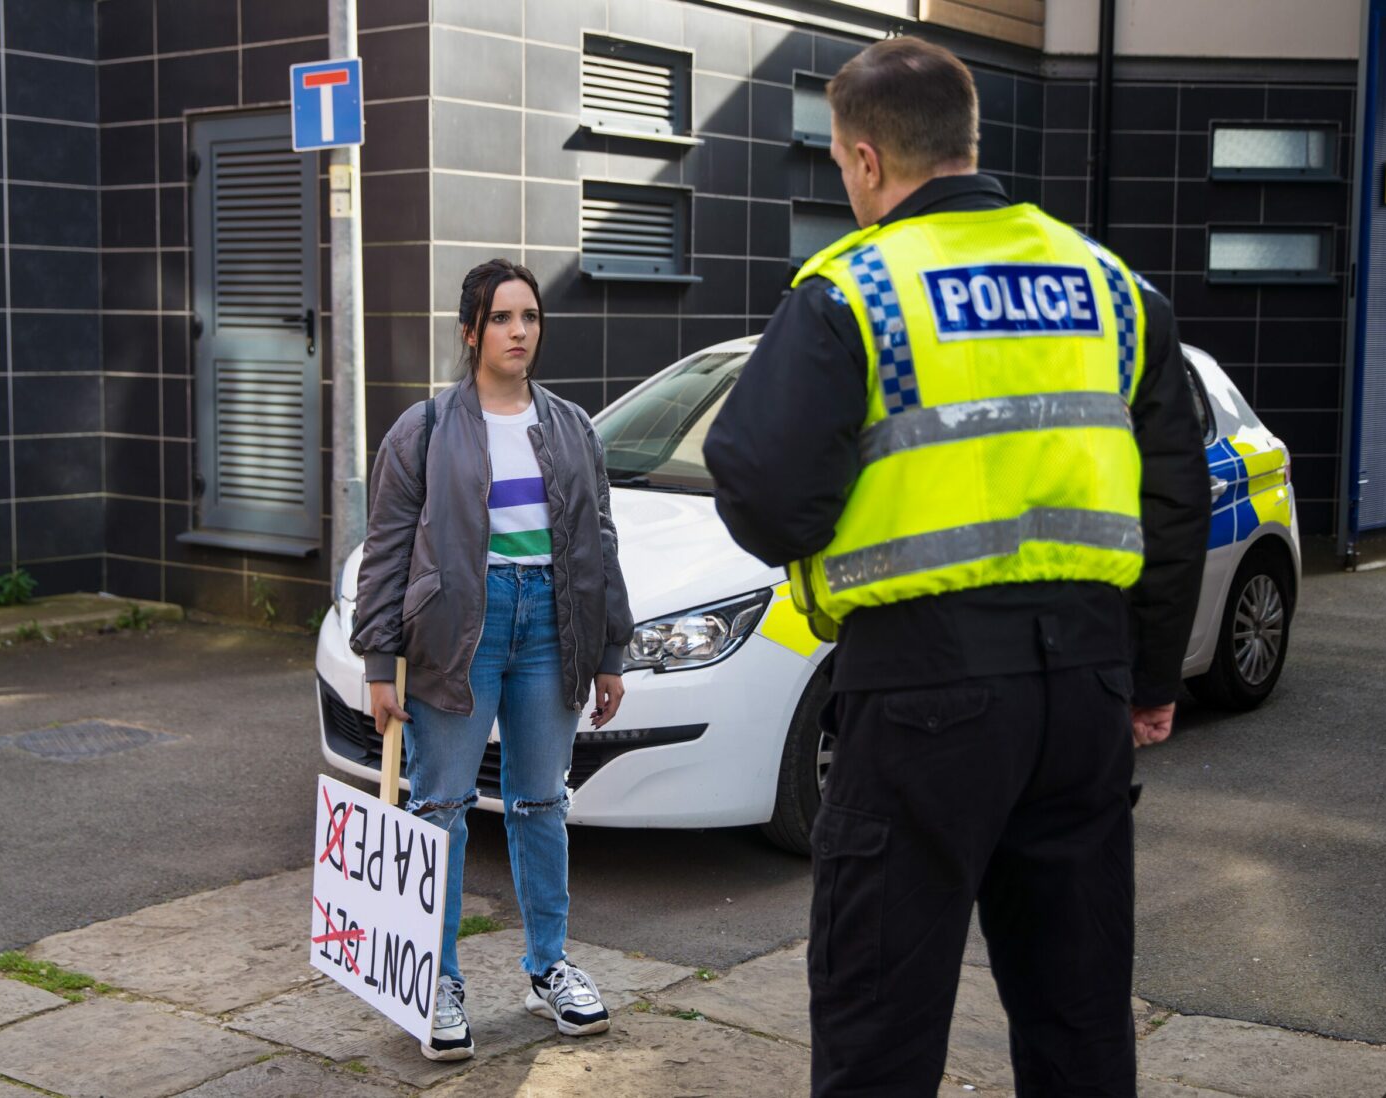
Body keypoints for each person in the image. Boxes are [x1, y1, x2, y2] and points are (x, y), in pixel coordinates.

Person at [703, 37, 1209, 1098]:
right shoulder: (1113, 289)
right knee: (1078, 1014)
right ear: (968, 141)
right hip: (1084, 694)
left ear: (870, 161)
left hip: (921, 695)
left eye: (844, 168)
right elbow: (1174, 495)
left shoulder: (856, 288)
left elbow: (761, 486)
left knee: (879, 1019)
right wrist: (1152, 679)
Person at [350, 258, 634, 1061]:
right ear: (471, 331)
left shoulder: (573, 426)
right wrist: (379, 661)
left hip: (551, 623)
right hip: (457, 631)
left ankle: (549, 968)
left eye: (531, 317)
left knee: (541, 800)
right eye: (503, 318)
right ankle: (434, 979)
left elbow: (598, 546)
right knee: (438, 807)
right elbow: (389, 549)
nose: (519, 332)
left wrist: (611, 647)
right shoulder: (428, 428)